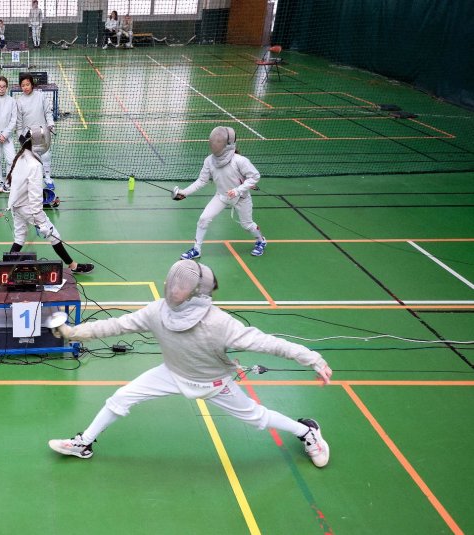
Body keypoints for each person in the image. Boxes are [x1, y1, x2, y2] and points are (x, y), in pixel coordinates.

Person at [47, 259, 332, 468]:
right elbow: (115, 326)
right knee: (120, 397)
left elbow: (268, 343)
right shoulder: (157, 311)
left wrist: (313, 358)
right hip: (172, 372)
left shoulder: (220, 323)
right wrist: (74, 332)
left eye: (182, 288)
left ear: (196, 292)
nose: (175, 291)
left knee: (256, 417)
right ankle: (83, 443)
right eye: (175, 285)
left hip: (214, 384)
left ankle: (308, 432)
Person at [6, 126, 94, 274]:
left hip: (15, 206)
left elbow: (19, 184)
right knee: (54, 235)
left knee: (20, 238)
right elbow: (35, 198)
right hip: (28, 208)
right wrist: (40, 222)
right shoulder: (34, 165)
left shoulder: (22, 156)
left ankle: (5, 267)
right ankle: (73, 266)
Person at [173, 126, 267, 259]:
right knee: (203, 219)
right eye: (214, 141)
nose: (215, 144)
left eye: (219, 141)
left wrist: (237, 190)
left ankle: (261, 240)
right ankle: (197, 249)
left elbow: (255, 176)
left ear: (228, 144)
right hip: (221, 196)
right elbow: (201, 181)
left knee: (247, 225)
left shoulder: (239, 160)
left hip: (241, 198)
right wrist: (184, 192)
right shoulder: (209, 161)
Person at [15, 73, 56, 206]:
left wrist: (50, 124)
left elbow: (48, 112)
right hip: (28, 134)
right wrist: (20, 136)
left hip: (43, 130)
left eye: (27, 84)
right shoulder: (19, 101)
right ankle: (34, 183)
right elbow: (19, 122)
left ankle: (48, 178)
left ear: (32, 84)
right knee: (32, 159)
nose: (25, 87)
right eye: (23, 85)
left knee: (46, 155)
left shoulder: (41, 96)